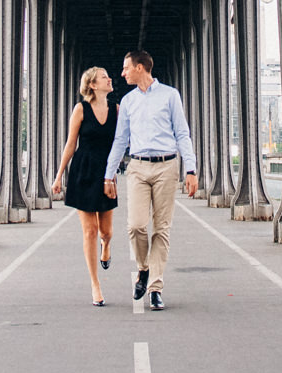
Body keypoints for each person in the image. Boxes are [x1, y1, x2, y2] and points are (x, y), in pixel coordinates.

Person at [102, 50, 196, 310]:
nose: (122, 73)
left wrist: (191, 169)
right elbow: (120, 140)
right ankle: (144, 268)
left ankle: (155, 286)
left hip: (167, 166)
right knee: (136, 226)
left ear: (140, 67)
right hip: (138, 167)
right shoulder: (129, 101)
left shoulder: (170, 95)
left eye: (126, 68)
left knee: (162, 229)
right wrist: (109, 174)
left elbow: (182, 133)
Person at [52, 66, 118, 306]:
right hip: (83, 171)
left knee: (106, 232)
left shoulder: (117, 110)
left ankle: (106, 246)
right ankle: (95, 284)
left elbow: (122, 142)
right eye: (104, 77)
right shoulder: (80, 109)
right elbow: (71, 144)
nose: (110, 79)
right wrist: (59, 176)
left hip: (106, 175)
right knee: (89, 230)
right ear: (92, 85)